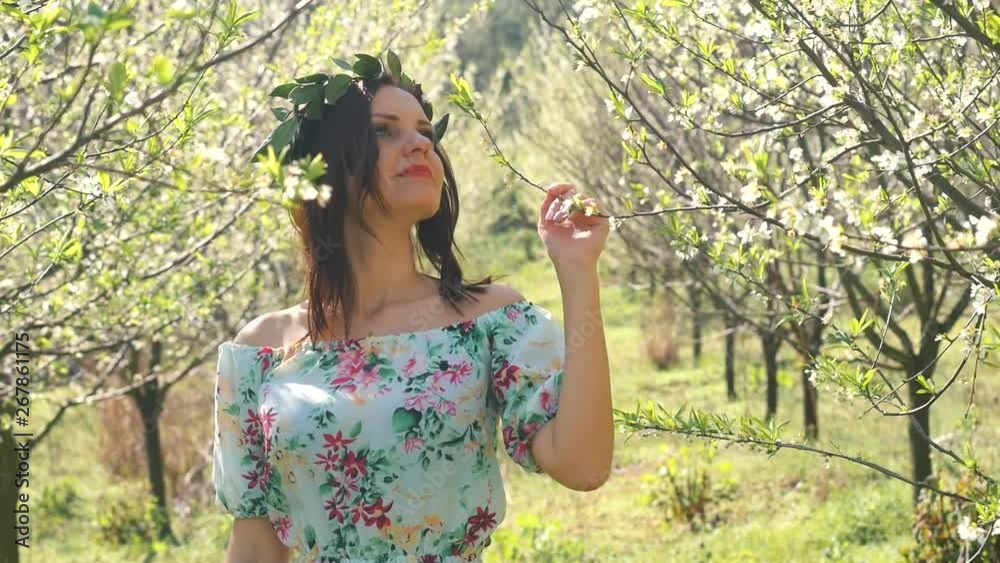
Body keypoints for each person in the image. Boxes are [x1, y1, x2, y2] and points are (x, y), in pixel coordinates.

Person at [212, 54, 614, 563]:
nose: (421, 142)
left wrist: (578, 272)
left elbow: (584, 466)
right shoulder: (260, 353)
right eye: (384, 131)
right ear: (324, 168)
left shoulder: (489, 322)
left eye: (426, 131)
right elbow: (254, 546)